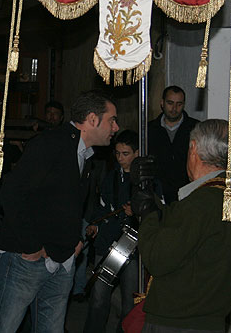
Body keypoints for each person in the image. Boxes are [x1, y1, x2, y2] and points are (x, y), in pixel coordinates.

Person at [0, 90, 120, 333]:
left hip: (62, 260)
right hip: (24, 259)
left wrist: (74, 242)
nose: (116, 127)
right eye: (112, 120)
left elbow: (64, 205)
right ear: (92, 120)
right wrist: (32, 247)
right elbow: (11, 193)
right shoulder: (51, 143)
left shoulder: (85, 155)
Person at [133, 119, 231, 332]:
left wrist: (148, 216)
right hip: (203, 317)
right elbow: (184, 228)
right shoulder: (227, 193)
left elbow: (157, 258)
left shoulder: (204, 201)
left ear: (193, 148)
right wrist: (150, 198)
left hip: (180, 321)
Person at [83, 130, 154, 333]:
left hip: (133, 249)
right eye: (117, 153)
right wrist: (96, 224)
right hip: (107, 243)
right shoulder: (111, 177)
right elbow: (102, 206)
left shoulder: (147, 180)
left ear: (137, 153)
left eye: (126, 154)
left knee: (128, 305)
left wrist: (139, 213)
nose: (120, 158)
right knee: (98, 298)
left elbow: (159, 213)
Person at [148, 86, 199, 204]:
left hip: (187, 195)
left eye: (179, 104)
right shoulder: (149, 130)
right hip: (158, 196)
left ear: (184, 104)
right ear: (162, 103)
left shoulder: (196, 129)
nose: (174, 108)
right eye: (170, 103)